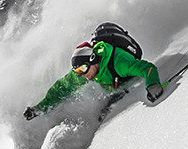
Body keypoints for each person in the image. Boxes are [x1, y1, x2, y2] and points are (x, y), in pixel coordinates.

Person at [23, 26, 164, 120]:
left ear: (93, 59)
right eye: (77, 71)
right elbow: (61, 88)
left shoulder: (119, 63)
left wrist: (153, 85)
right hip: (115, 88)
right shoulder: (86, 72)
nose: (82, 75)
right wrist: (38, 109)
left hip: (131, 81)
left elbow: (147, 68)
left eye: (82, 69)